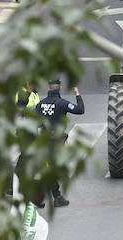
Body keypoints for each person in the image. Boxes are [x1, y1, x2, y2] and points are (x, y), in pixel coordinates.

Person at [29, 79, 84, 207]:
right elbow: (80, 109)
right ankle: (56, 197)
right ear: (60, 87)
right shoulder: (62, 103)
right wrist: (77, 94)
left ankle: (42, 197)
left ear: (48, 88)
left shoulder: (40, 104)